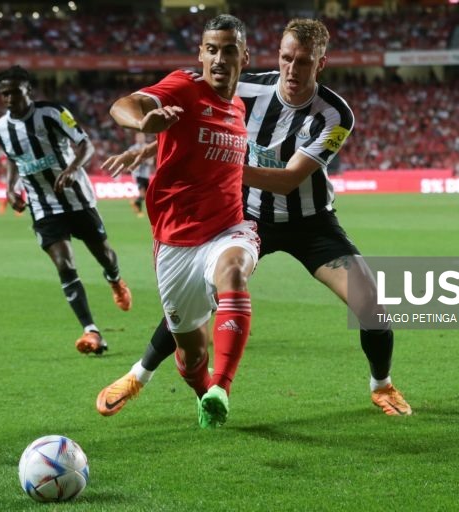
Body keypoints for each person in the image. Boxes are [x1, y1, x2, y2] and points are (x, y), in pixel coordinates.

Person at [97, 18, 411, 417]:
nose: (292, 70)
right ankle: (139, 374)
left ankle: (381, 386)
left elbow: (290, 179)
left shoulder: (336, 115)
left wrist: (213, 162)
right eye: (286, 58)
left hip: (310, 223)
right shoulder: (246, 86)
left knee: (372, 305)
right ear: (277, 56)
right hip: (248, 215)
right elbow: (195, 123)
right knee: (198, 299)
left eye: (304, 62)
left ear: (321, 63)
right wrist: (149, 147)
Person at [107, 14, 258, 429]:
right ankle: (204, 392)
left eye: (229, 50)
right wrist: (143, 124)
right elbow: (123, 105)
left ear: (244, 57)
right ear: (200, 54)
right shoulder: (185, 86)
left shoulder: (240, 106)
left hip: (229, 229)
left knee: (234, 272)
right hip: (175, 243)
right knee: (191, 352)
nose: (219, 58)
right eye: (211, 49)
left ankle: (222, 388)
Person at [0, 65, 132, 355]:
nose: (8, 99)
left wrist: (72, 168)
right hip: (43, 206)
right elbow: (12, 159)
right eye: (4, 94)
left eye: (14, 92)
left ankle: (115, 279)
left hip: (77, 199)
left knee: (104, 255)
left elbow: (85, 145)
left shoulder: (53, 113)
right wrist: (10, 188)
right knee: (64, 264)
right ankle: (91, 331)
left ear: (28, 90)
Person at [127, 132, 154, 217]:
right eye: (139, 137)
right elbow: (129, 161)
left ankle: (135, 203)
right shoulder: (133, 148)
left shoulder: (148, 147)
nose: (140, 139)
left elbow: (151, 161)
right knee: (142, 193)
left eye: (142, 137)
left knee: (146, 195)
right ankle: (138, 210)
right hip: (138, 174)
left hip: (146, 174)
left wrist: (145, 160)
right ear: (136, 138)